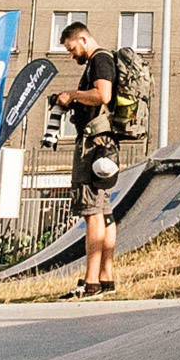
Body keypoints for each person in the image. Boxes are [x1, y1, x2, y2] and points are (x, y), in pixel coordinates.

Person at [55, 21, 118, 299]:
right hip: (102, 144)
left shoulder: (99, 60)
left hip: (93, 144)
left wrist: (73, 95)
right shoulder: (100, 61)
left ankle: (91, 281)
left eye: (72, 49)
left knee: (92, 212)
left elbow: (103, 94)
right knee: (104, 213)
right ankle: (106, 277)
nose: (72, 55)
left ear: (83, 39)